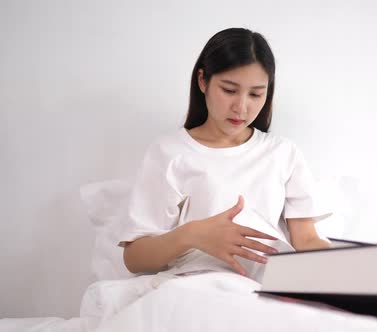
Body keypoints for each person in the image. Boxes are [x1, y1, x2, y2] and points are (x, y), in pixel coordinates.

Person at [118, 28, 332, 282]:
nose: (241, 107)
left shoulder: (282, 153)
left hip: (265, 287)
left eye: (255, 94)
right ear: (202, 81)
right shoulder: (170, 151)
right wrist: (192, 234)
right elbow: (135, 258)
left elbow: (306, 239)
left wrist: (346, 267)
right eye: (229, 90)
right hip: (194, 286)